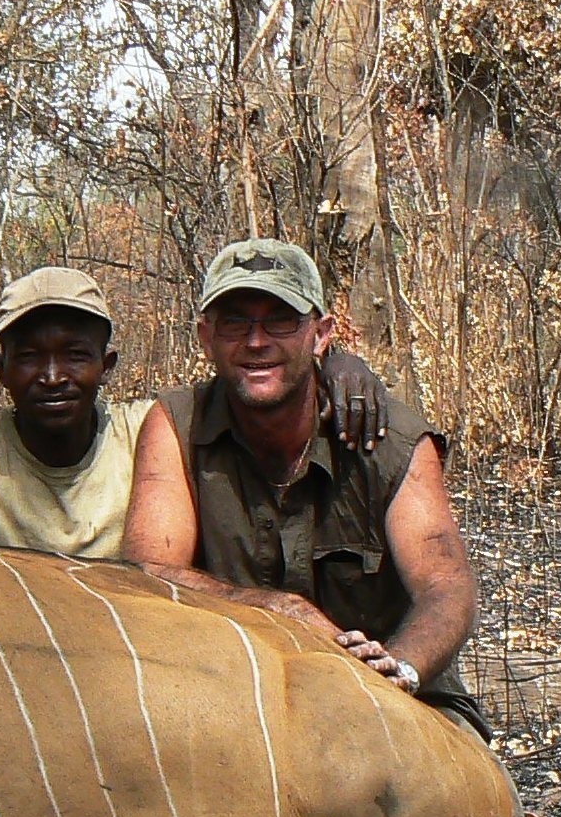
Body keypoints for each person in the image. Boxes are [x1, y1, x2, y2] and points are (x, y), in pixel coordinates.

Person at [121, 238, 490, 740]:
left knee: (467, 789)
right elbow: (148, 572)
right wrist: (281, 610)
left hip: (397, 696)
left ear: (320, 335)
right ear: (206, 337)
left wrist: (399, 667)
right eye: (235, 322)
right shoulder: (175, 424)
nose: (256, 341)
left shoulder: (396, 438)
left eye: (280, 320)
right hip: (236, 693)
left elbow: (446, 583)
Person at [0, 265, 393, 560]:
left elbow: (254, 394)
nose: (53, 377)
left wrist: (338, 366)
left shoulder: (150, 429)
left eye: (76, 356)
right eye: (28, 357)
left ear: (107, 365)